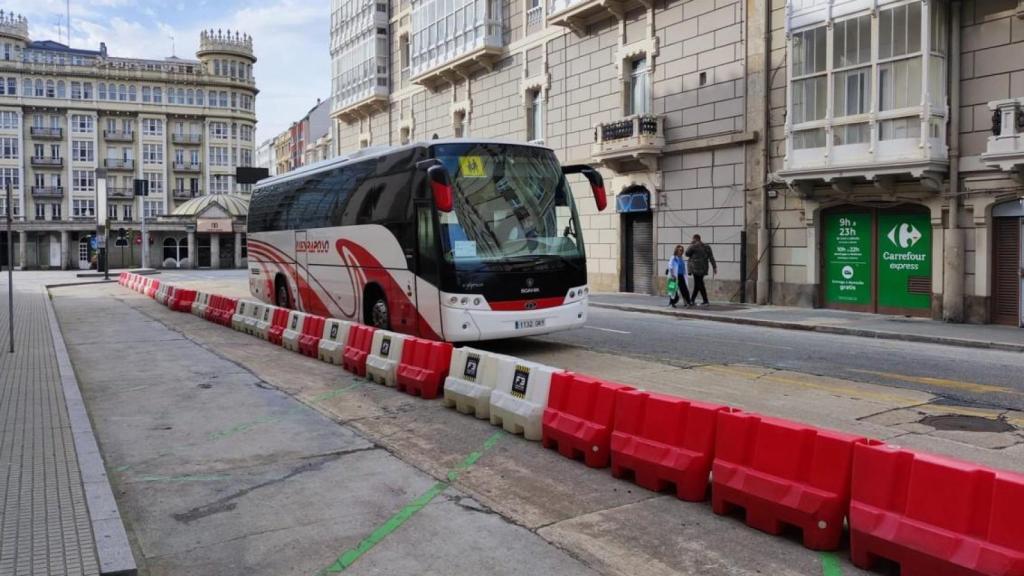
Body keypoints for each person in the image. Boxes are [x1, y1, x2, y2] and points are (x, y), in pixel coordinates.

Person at [685, 234, 716, 306]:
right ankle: (692, 300)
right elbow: (711, 257)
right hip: (704, 268)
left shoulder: (693, 246)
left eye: (693, 239)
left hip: (695, 268)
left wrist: (691, 244)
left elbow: (686, 253)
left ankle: (705, 300)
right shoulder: (707, 246)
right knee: (698, 284)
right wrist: (714, 267)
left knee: (700, 284)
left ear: (695, 239)